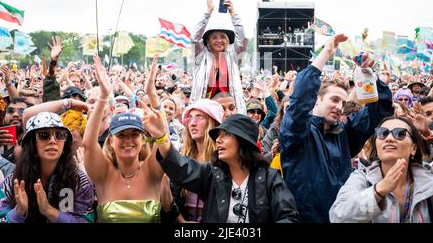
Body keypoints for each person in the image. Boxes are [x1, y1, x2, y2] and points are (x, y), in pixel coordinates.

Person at [280, 34, 393, 223]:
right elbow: (299, 104)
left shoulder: (345, 133)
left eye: (343, 102)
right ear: (317, 100)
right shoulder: (298, 134)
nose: (339, 107)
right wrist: (326, 53)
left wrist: (371, 72)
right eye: (334, 100)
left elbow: (380, 110)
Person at [142, 108, 299, 223]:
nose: (218, 140)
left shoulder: (269, 178)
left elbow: (288, 216)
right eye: (218, 135)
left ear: (243, 141)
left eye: (226, 135)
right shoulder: (211, 173)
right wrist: (161, 137)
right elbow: (181, 167)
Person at [82, 55, 167, 223]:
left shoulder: (152, 171)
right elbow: (88, 145)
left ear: (143, 139)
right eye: (121, 135)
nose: (128, 140)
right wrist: (103, 97)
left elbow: (164, 140)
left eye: (134, 134)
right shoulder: (103, 174)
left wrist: (152, 95)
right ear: (111, 141)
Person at [329, 116, 433, 223]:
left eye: (400, 133)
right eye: (382, 133)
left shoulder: (430, 182)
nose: (389, 138)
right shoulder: (362, 177)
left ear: (413, 148)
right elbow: (337, 216)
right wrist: (378, 191)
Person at [0, 112, 95, 223]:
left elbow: (86, 221)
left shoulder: (78, 181)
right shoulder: (13, 182)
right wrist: (19, 211)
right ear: (32, 144)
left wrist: (49, 211)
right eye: (44, 135)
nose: (52, 140)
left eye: (60, 135)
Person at [190, 0, 247, 114]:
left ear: (227, 40)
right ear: (208, 41)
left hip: (230, 111)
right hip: (205, 110)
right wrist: (208, 12)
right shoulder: (201, 56)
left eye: (222, 37)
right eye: (214, 37)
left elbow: (242, 40)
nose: (219, 40)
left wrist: (233, 14)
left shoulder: (233, 57)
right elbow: (194, 38)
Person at [171, 98, 224, 223]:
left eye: (199, 117)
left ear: (213, 122)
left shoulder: (223, 158)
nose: (192, 123)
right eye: (190, 117)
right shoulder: (182, 155)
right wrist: (182, 221)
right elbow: (172, 197)